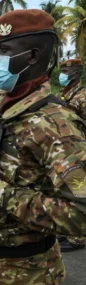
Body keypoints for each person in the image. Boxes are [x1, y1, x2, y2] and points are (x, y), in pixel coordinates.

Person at [0, 9, 86, 285]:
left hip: (26, 278)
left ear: (31, 56)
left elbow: (81, 215)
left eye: (3, 50)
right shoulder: (9, 109)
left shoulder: (55, 125)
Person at [56, 58, 86, 253]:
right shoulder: (63, 94)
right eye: (63, 71)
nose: (63, 75)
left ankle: (78, 237)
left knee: (79, 191)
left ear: (76, 73)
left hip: (79, 152)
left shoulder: (83, 97)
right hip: (64, 151)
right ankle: (69, 230)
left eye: (67, 72)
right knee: (66, 190)